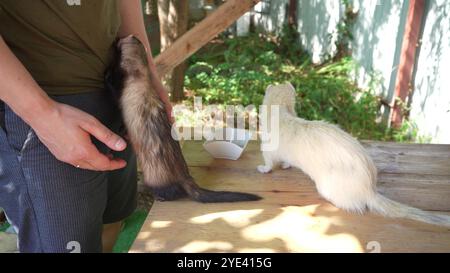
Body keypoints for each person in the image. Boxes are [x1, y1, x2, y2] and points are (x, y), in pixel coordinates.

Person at [0, 0, 172, 253]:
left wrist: (145, 76)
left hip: (116, 87)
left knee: (112, 221)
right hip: (42, 99)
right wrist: (43, 115)